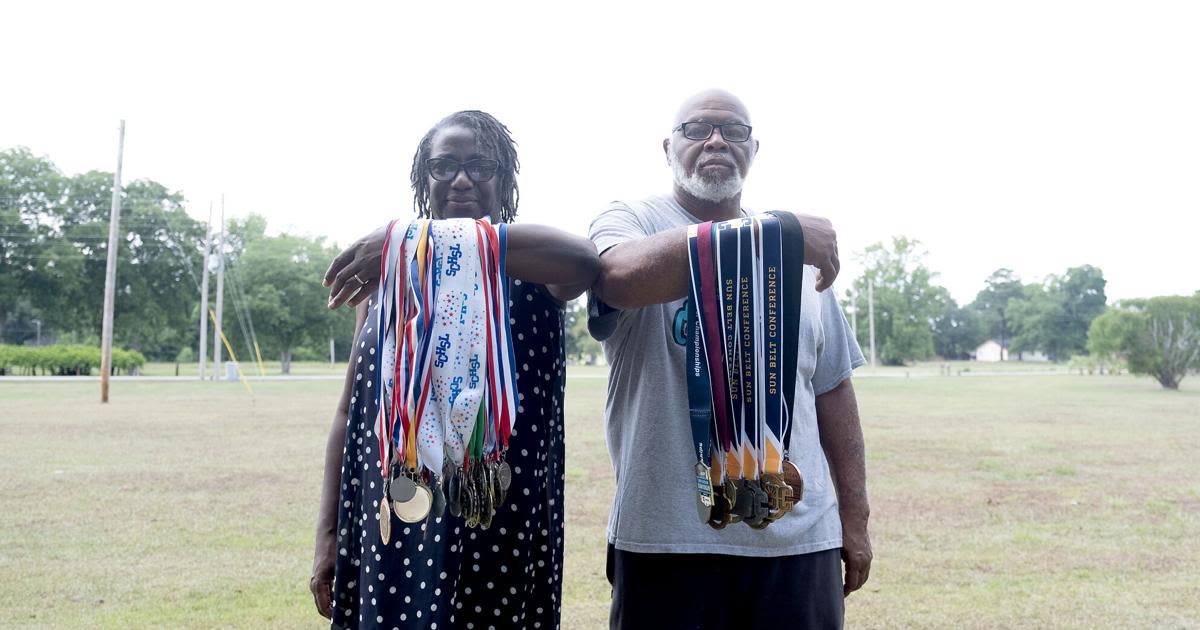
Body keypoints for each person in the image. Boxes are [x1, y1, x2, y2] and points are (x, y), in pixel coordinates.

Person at [588, 89, 870, 629]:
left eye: (734, 131)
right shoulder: (632, 220)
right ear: (668, 147)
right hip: (666, 540)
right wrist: (772, 233)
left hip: (798, 542)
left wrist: (854, 521)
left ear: (754, 149)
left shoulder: (797, 249)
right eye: (696, 129)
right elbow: (617, 279)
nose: (716, 140)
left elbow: (832, 388)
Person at [310, 110, 599, 630]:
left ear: (505, 178)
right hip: (394, 519)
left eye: (480, 165)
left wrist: (425, 240)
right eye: (444, 166)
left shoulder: (531, 265)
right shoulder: (387, 276)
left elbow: (583, 261)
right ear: (424, 180)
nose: (461, 179)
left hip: (499, 520)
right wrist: (327, 535)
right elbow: (346, 415)